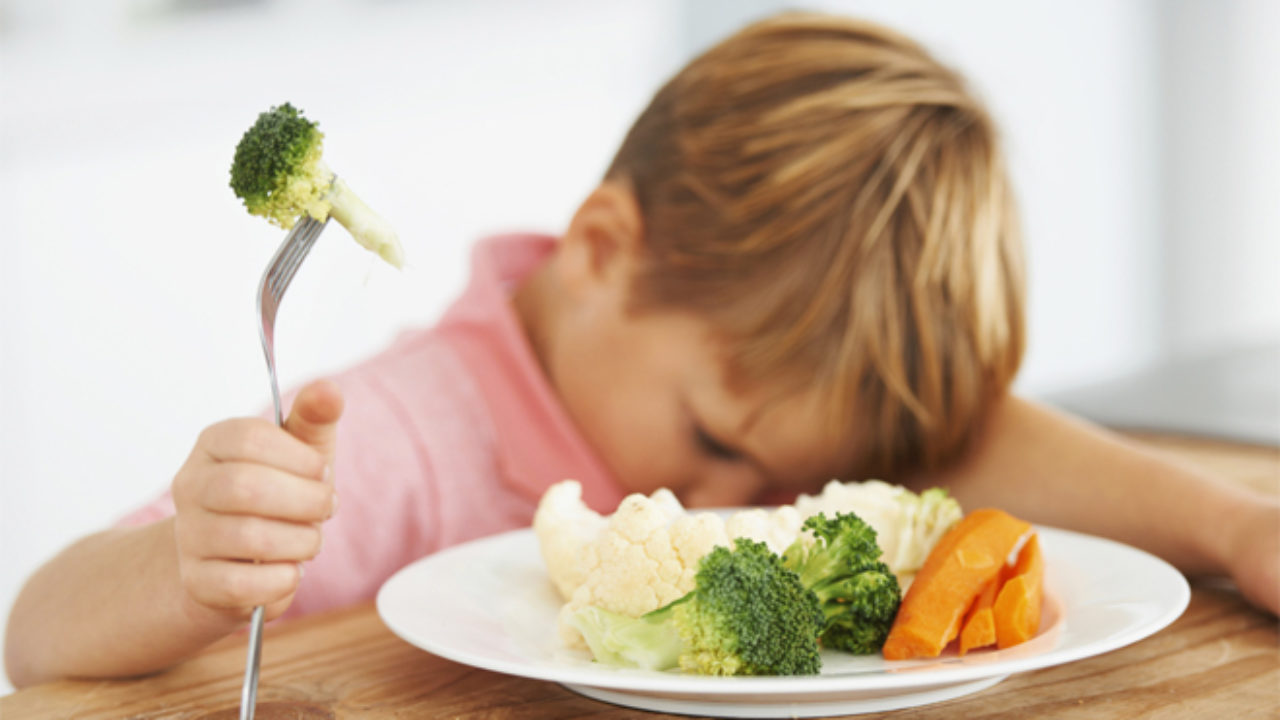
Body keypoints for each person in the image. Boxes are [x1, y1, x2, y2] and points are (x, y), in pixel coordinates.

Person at [5, 12, 1276, 687]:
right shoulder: (407, 437)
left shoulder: (749, 390)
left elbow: (970, 436)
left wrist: (1230, 534)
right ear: (604, 246)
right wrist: (187, 566)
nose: (740, 506)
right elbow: (39, 635)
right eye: (718, 444)